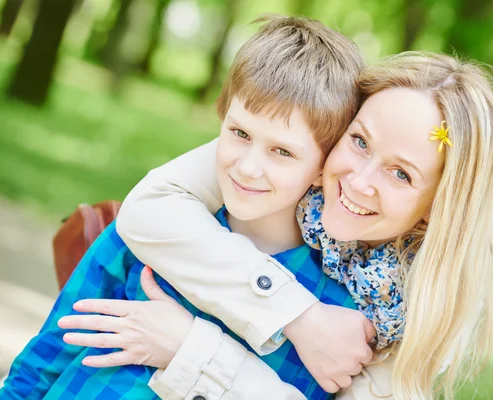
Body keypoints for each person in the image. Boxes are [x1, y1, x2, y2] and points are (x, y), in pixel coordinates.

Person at [69, 52, 493, 399]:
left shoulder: (408, 308)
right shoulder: (280, 171)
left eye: (401, 174)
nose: (358, 181)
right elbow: (151, 207)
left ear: (439, 207)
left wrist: (192, 351)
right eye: (359, 141)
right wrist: (301, 316)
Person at [0, 15, 367, 400]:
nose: (247, 167)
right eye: (240, 133)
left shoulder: (335, 310)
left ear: (323, 168)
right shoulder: (158, 232)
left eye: (282, 151)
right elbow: (45, 358)